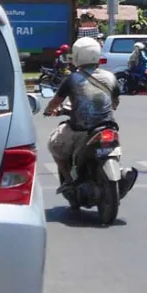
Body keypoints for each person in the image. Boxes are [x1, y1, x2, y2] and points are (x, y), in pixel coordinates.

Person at [43, 37, 139, 198]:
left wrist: (48, 110)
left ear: (77, 56)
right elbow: (115, 103)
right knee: (113, 149)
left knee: (54, 145)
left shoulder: (72, 78)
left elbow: (56, 101)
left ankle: (68, 181)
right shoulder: (110, 77)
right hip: (108, 127)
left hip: (81, 130)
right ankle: (120, 174)